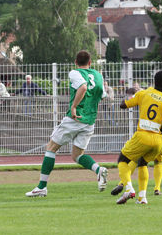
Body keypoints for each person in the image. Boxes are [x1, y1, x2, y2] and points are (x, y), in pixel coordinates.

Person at [25, 51, 108, 197]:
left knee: (51, 147)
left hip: (74, 118)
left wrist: (74, 107)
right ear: (90, 63)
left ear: (75, 62)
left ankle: (41, 187)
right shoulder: (98, 75)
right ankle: (98, 170)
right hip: (89, 121)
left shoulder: (75, 73)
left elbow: (82, 87)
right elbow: (102, 94)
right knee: (77, 155)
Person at [110, 90, 162, 196]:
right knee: (158, 161)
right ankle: (157, 189)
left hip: (147, 132)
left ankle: (123, 183)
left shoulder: (149, 93)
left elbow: (126, 104)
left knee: (135, 159)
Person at [115, 70, 162, 205]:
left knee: (122, 160)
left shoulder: (144, 93)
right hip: (159, 141)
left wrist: (132, 94)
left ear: (154, 81)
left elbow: (123, 105)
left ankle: (129, 189)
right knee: (143, 163)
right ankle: (142, 198)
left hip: (143, 135)